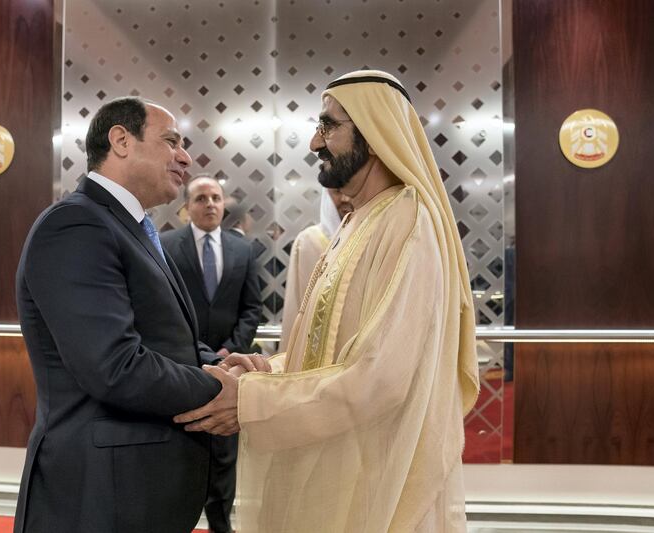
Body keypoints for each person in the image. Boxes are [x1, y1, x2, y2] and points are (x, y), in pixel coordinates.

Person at [175, 70, 480, 532]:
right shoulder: (356, 222)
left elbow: (382, 377)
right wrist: (268, 371)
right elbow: (329, 350)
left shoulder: (409, 222)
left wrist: (254, 402)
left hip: (379, 482)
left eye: (329, 126)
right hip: (335, 464)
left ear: (374, 135)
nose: (315, 143)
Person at [14, 97, 227, 533]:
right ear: (121, 140)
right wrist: (220, 388)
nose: (185, 156)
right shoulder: (76, 225)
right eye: (171, 141)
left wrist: (222, 364)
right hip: (100, 497)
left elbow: (159, 338)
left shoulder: (133, 228)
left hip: (136, 490)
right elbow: (113, 366)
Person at [161, 176, 262, 533]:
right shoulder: (166, 245)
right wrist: (194, 353)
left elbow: (252, 309)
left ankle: (221, 525)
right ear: (187, 207)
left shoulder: (244, 250)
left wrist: (230, 351)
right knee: (181, 446)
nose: (210, 204)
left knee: (224, 455)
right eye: (201, 198)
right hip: (182, 365)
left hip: (230, 372)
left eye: (216, 198)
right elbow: (164, 307)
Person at [279, 187, 353, 350]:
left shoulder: (369, 238)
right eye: (337, 191)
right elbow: (296, 305)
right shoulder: (307, 241)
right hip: (313, 348)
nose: (345, 198)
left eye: (350, 188)